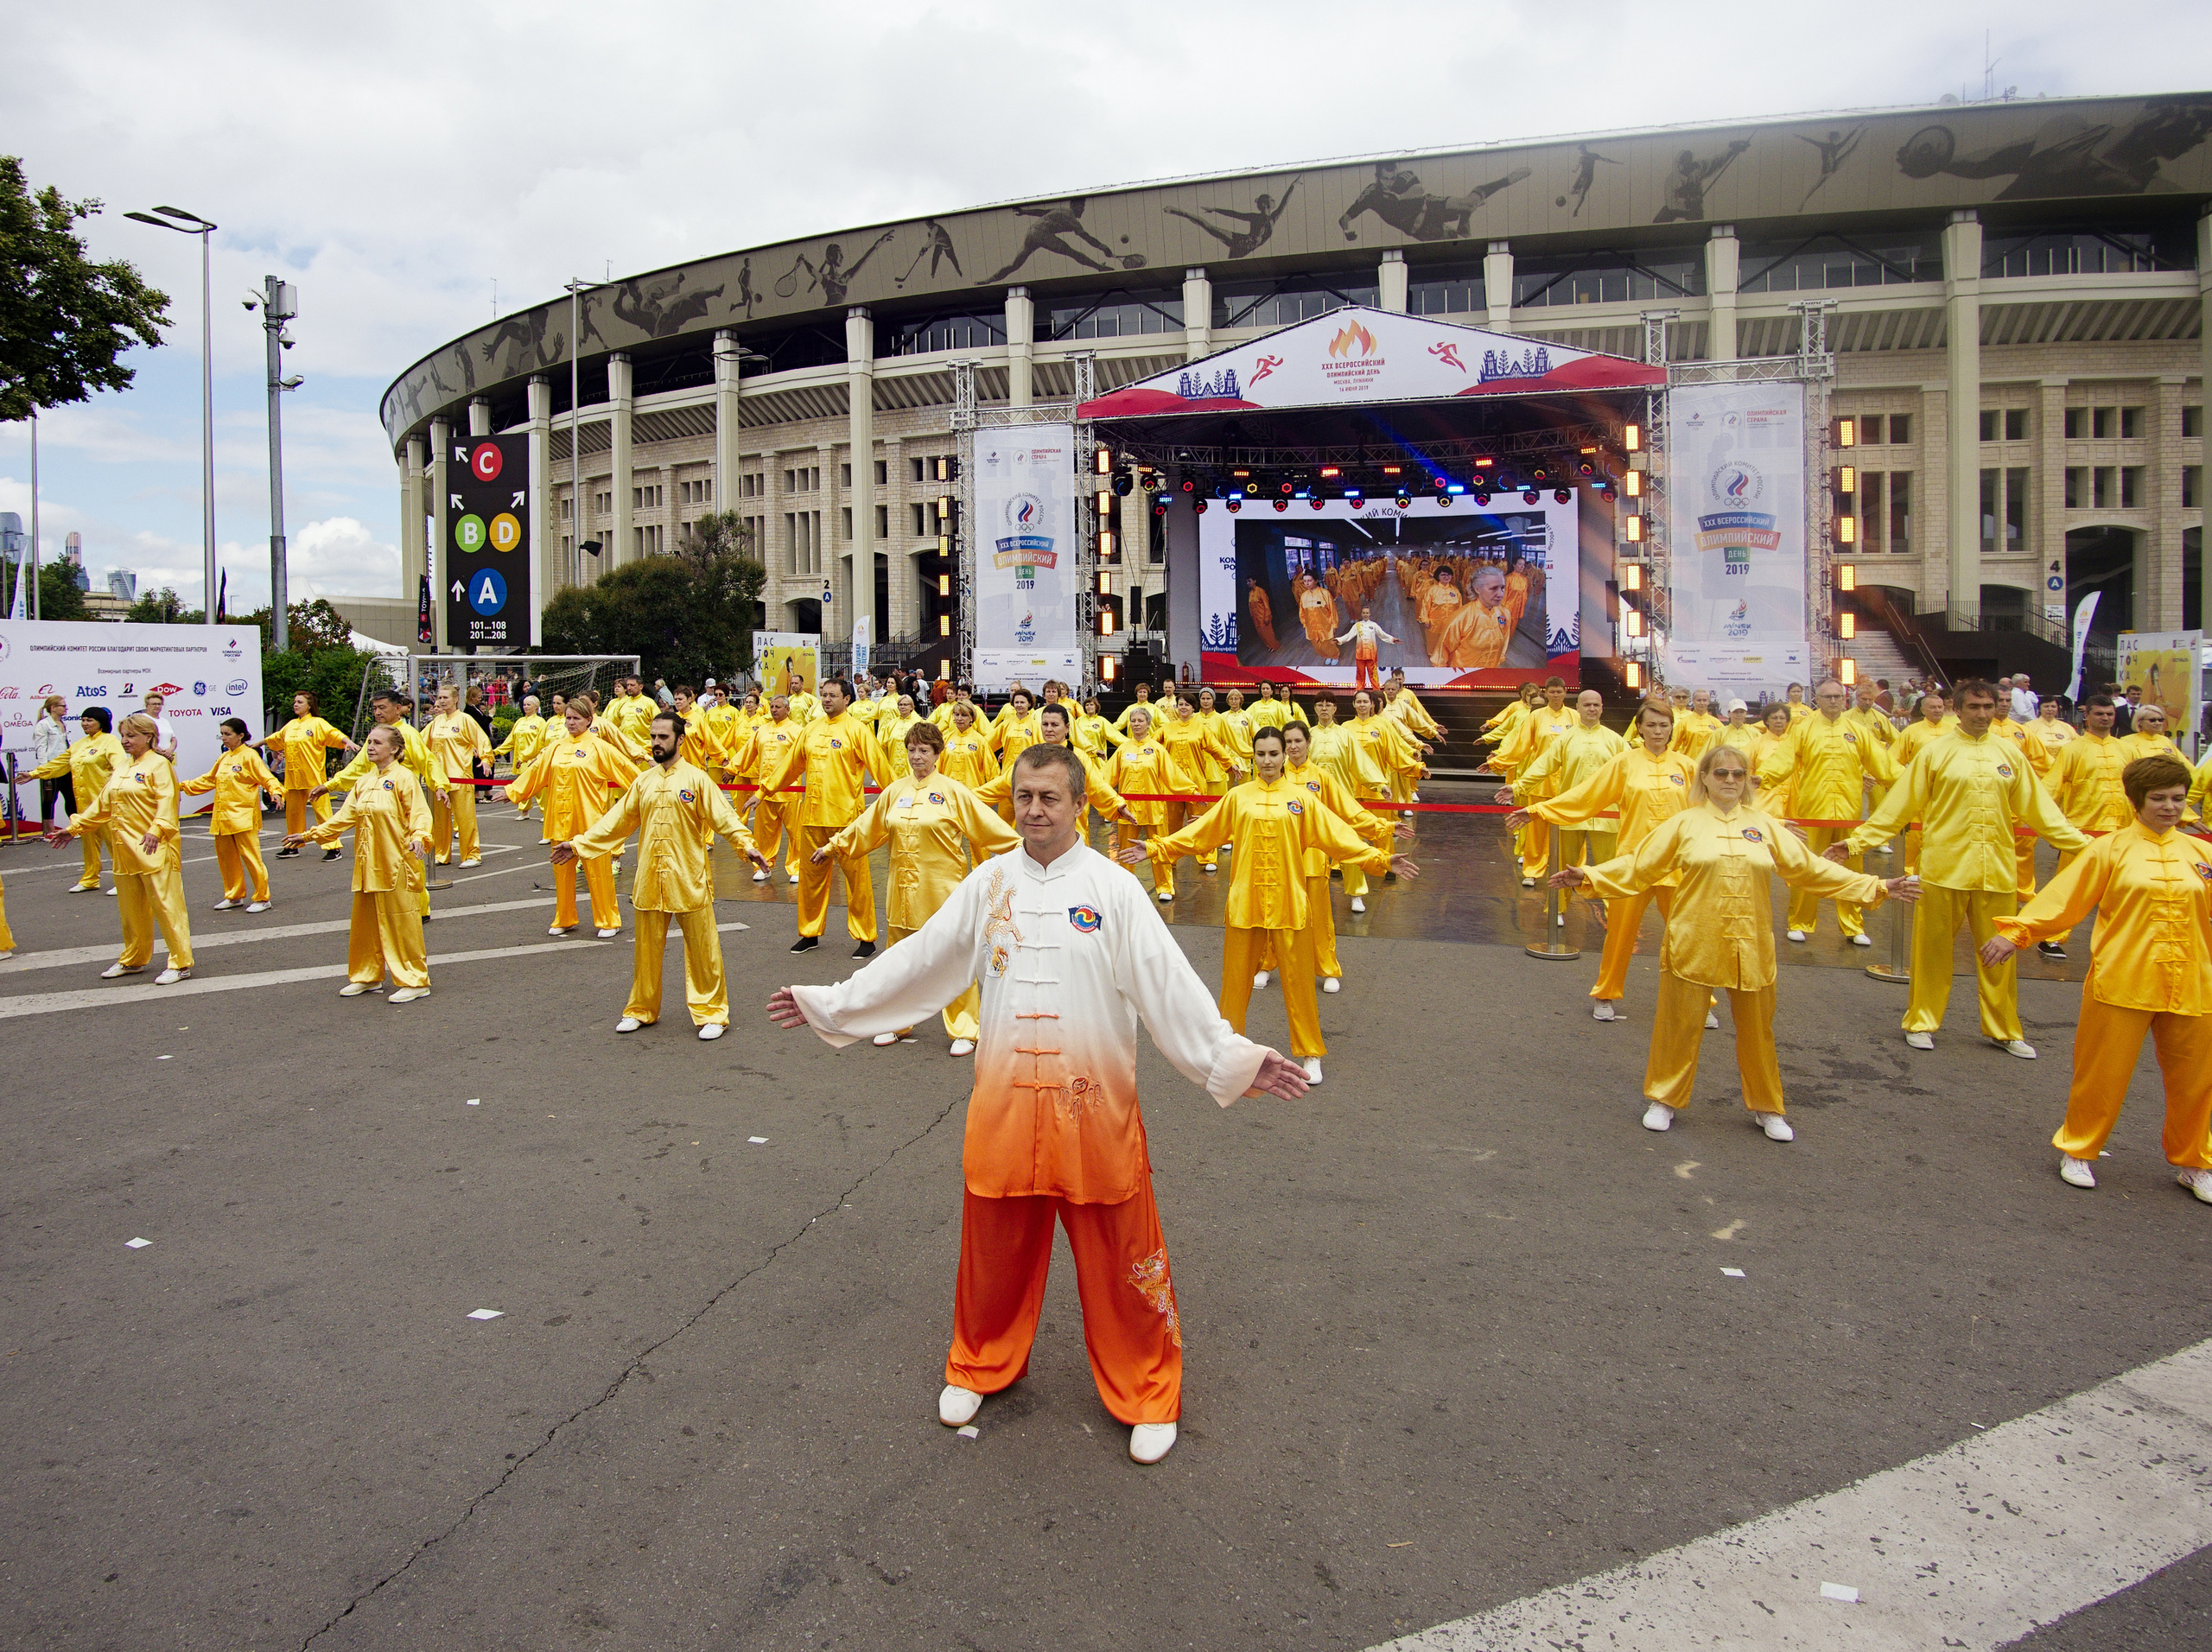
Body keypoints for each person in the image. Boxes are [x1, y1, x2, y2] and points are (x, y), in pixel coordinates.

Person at [767, 742, 1312, 1466]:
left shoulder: (1115, 890)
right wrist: (833, 1004)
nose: (1034, 810)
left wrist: (1235, 1060)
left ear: (1080, 804)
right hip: (1004, 1107)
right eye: (1024, 796)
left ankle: (1148, 1388)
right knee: (993, 1250)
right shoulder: (989, 883)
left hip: (1096, 1111)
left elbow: (1169, 989)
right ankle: (980, 1361)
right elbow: (921, 958)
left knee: (1123, 1254)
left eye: (1050, 798)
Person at [1555, 744, 1918, 1138]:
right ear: (1705, 779)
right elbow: (1639, 865)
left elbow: (1810, 870)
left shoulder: (1764, 825)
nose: (1730, 780)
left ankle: (1767, 1106)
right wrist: (1590, 876)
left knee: (1758, 1029)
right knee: (1678, 1023)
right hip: (1693, 939)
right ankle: (1664, 1098)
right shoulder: (1684, 823)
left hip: (1753, 941)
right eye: (1721, 773)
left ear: (1747, 781)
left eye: (1738, 774)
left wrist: (1876, 885)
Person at [1983, 754, 2212, 1202]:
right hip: (2122, 979)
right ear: (2136, 801)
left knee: (2197, 1078)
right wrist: (2018, 933)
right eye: (2159, 799)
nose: (2169, 807)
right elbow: (2065, 899)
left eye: (2177, 799)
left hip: (2194, 980)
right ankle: (2079, 1149)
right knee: (2101, 1074)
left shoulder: (2202, 853)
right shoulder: (2109, 849)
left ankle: (2195, 1161)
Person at [1132, 723, 1415, 1083]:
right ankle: (1227, 1051)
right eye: (1261, 754)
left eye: (1274, 753)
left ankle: (1310, 1052)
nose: (1267, 760)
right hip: (1245, 902)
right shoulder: (1239, 797)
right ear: (1254, 755)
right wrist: (1157, 846)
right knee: (1234, 983)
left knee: (1298, 982)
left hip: (1289, 902)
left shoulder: (1302, 799)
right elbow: (1200, 834)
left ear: (1285, 756)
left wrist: (1381, 859)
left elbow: (1338, 837)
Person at [1840, 678, 2088, 1058]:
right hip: (1943, 869)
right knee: (1932, 951)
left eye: (1989, 707)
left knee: (2001, 952)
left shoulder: (2009, 753)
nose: (1983, 714)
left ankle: (2003, 1029)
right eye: (1974, 707)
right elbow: (1899, 806)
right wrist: (1858, 841)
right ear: (1958, 708)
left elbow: (2042, 812)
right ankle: (1921, 1020)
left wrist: (2091, 849)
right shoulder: (1935, 752)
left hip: (1998, 871)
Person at [559, 709, 769, 1040]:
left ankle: (712, 1012)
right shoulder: (643, 781)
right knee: (645, 950)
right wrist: (578, 845)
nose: (656, 743)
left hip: (689, 878)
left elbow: (724, 818)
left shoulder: (698, 779)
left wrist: (747, 845)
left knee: (703, 949)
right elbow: (616, 822)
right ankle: (641, 1009)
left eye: (663, 737)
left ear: (680, 740)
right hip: (649, 878)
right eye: (653, 737)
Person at [817, 718, 1016, 1056]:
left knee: (952, 959)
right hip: (901, 891)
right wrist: (834, 846)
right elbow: (867, 826)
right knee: (899, 961)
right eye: (911, 750)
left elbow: (990, 827)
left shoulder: (953, 792)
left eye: (924, 750)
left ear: (937, 753)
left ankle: (965, 1028)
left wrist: (1029, 850)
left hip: (944, 892)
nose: (917, 757)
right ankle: (896, 1023)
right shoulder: (895, 791)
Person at [1510, 697, 1700, 1023]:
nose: (1657, 731)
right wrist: (1537, 810)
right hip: (1632, 866)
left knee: (1688, 935)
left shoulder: (1687, 766)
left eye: (1664, 725)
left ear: (1672, 729)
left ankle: (1701, 999)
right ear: (1639, 728)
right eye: (1650, 725)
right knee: (1620, 934)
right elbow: (1587, 795)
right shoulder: (1625, 762)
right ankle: (1606, 994)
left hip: (1676, 866)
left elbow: (1711, 810)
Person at [285, 724, 434, 1002]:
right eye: (369, 742)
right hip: (367, 864)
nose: (371, 746)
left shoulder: (405, 778)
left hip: (397, 863)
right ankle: (367, 976)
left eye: (378, 742)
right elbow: (342, 819)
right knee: (364, 924)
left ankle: (415, 980)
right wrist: (309, 835)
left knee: (402, 923)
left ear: (396, 749)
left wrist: (420, 836)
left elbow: (420, 814)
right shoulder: (364, 782)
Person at [48, 712, 197, 985]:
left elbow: (168, 803)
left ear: (149, 737)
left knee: (167, 906)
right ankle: (134, 959)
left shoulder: (160, 765)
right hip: (124, 850)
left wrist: (157, 830)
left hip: (155, 848)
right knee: (131, 911)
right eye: (123, 736)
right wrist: (74, 828)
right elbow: (102, 806)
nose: (125, 741)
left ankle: (180, 962)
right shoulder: (122, 767)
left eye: (131, 736)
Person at [1757, 679, 1898, 946]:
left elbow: (1884, 765)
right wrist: (1761, 778)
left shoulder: (1858, 731)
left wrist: (1912, 786)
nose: (1833, 701)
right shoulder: (1803, 730)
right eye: (1827, 697)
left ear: (1845, 700)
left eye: (1837, 697)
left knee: (1852, 869)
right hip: (1812, 811)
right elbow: (1783, 761)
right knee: (1806, 866)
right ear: (1817, 700)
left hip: (1849, 812)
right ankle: (1799, 922)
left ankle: (1853, 926)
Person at [759, 676, 889, 957]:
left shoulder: (858, 730)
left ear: (847, 700)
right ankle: (809, 932)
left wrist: (898, 799)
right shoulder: (811, 729)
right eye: (823, 695)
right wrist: (764, 791)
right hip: (813, 817)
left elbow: (880, 766)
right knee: (810, 880)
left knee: (858, 882)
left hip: (847, 820)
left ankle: (866, 937)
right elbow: (790, 766)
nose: (827, 699)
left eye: (832, 695)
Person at [502, 702, 639, 937]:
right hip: (559, 819)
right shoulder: (555, 747)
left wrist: (654, 791)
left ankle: (608, 919)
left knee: (598, 873)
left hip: (590, 820)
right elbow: (535, 774)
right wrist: (511, 791)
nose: (571, 723)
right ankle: (564, 917)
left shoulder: (599, 747)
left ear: (588, 720)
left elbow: (628, 772)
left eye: (576, 718)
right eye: (568, 718)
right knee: (562, 872)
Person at [1495, 689, 1625, 873]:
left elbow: (1634, 772)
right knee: (1564, 870)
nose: (1592, 709)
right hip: (1570, 811)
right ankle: (1557, 900)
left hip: (1606, 813)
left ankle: (1611, 903)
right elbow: (1543, 766)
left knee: (1611, 872)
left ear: (1602, 709)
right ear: (1578, 708)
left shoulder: (1616, 741)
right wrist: (1518, 787)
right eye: (1587, 705)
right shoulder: (1566, 739)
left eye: (1596, 705)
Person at [180, 718, 283, 912]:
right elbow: (208, 780)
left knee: (252, 858)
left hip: (243, 816)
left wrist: (275, 792)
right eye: (222, 734)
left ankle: (262, 898)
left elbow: (266, 777)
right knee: (227, 859)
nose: (224, 738)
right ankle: (234, 895)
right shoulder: (224, 758)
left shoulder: (250, 756)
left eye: (228, 734)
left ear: (240, 735)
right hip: (222, 817)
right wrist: (181, 786)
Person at [30, 706, 126, 894]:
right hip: (84, 805)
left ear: (101, 722)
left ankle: (123, 879)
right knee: (89, 844)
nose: (85, 723)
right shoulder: (79, 744)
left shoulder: (110, 741)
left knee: (114, 842)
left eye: (90, 720)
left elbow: (120, 766)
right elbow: (60, 764)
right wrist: (34, 774)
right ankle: (90, 878)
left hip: (105, 804)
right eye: (83, 720)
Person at [424, 685, 493, 867]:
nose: (441, 701)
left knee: (465, 818)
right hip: (439, 779)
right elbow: (420, 745)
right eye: (439, 697)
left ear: (455, 699)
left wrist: (486, 759)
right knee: (439, 820)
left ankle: (472, 854)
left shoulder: (465, 720)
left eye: (445, 697)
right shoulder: (436, 722)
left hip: (460, 777)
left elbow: (482, 739)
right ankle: (441, 853)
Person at [1429, 563, 1516, 670]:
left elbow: (1503, 644)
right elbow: (1441, 654)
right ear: (1477, 589)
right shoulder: (1461, 617)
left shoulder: (1504, 614)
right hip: (1462, 676)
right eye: (1493, 588)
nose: (1500, 594)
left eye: (1502, 588)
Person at [492, 694, 551, 816]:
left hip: (534, 760)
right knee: (521, 784)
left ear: (536, 707)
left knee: (539, 788)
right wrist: (497, 751)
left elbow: (542, 742)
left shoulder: (541, 722)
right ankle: (524, 811)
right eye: (524, 704)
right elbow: (510, 741)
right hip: (520, 760)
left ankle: (546, 812)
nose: (526, 707)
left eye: (529, 704)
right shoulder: (519, 721)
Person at [30, 695, 73, 829]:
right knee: (50, 799)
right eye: (63, 706)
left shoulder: (63, 723)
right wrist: (44, 768)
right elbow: (41, 748)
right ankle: (49, 830)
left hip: (65, 766)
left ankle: (75, 826)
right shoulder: (43, 724)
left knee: (71, 797)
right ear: (53, 708)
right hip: (51, 766)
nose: (66, 708)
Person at [1336, 606, 1397, 691]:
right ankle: (1359, 689)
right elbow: (1349, 636)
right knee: (1360, 673)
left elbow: (1382, 634)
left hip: (1371, 653)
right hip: (1360, 653)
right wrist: (1338, 639)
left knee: (1373, 673)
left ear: (1370, 614)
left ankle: (1376, 690)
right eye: (1364, 613)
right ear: (1361, 614)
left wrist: (1392, 639)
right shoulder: (1357, 625)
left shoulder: (1373, 625)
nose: (1365, 614)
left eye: (1367, 613)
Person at [1244, 578, 1277, 652]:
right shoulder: (1250, 593)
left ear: (1255, 581)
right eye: (1247, 582)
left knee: (1268, 632)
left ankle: (1274, 646)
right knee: (1261, 633)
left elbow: (1266, 605)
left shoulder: (1261, 591)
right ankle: (1269, 646)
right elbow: (1250, 606)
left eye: (1249, 581)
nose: (1248, 583)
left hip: (1263, 616)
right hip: (1256, 618)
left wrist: (1267, 616)